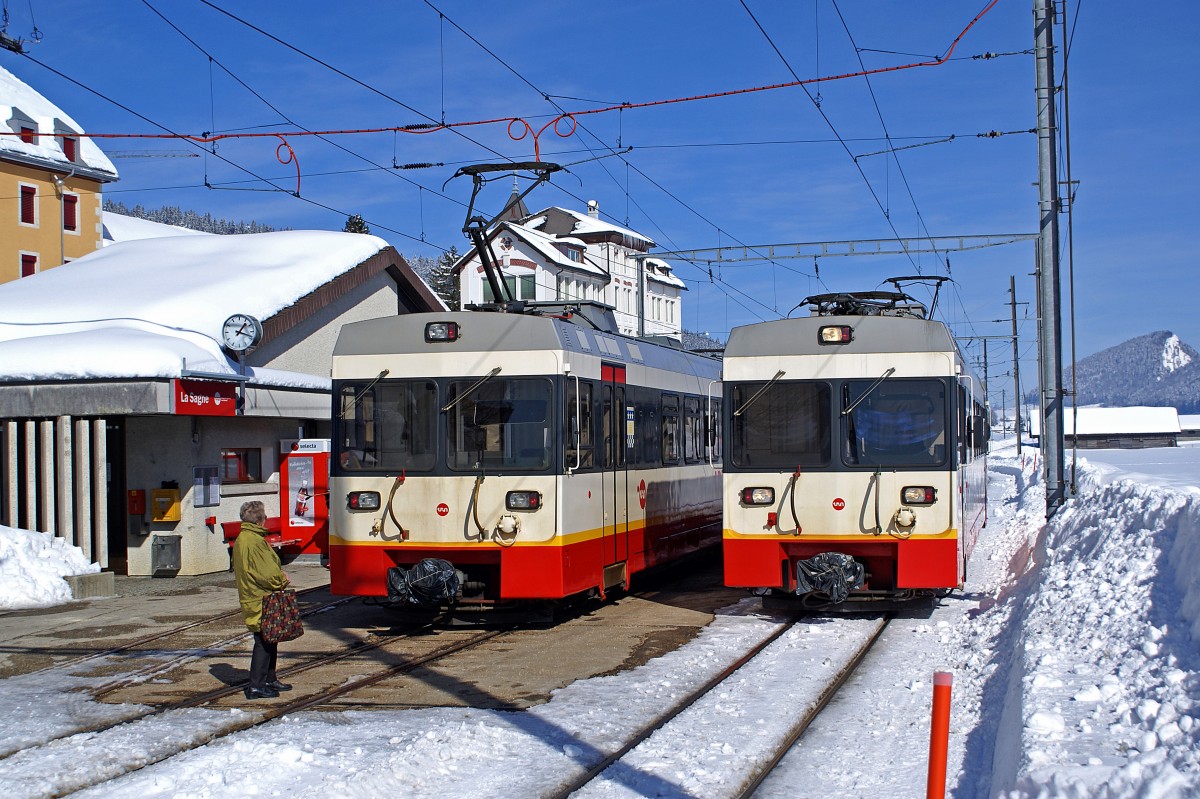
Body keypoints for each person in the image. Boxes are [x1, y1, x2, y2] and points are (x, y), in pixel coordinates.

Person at [231, 500, 293, 700]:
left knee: (269, 637)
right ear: (260, 520)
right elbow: (265, 573)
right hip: (259, 596)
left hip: (255, 594)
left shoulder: (246, 538)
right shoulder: (253, 541)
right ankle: (256, 684)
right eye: (264, 516)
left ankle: (269, 678)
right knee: (264, 640)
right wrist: (281, 579)